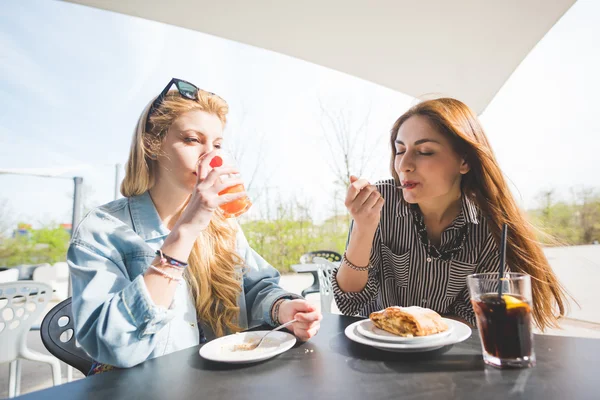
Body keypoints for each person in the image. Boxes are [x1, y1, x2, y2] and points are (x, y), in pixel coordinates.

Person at [68, 78, 321, 373]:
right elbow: (110, 344)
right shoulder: (102, 230)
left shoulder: (222, 224)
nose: (210, 157)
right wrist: (185, 232)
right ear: (151, 143)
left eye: (216, 145)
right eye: (192, 140)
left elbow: (255, 287)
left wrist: (283, 309)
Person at [333, 98, 567, 330]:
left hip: (449, 356)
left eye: (424, 151)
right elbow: (349, 303)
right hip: (375, 350)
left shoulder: (489, 225)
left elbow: (475, 315)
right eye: (400, 150)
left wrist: (417, 330)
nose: (404, 164)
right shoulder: (378, 204)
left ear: (463, 161)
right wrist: (363, 229)